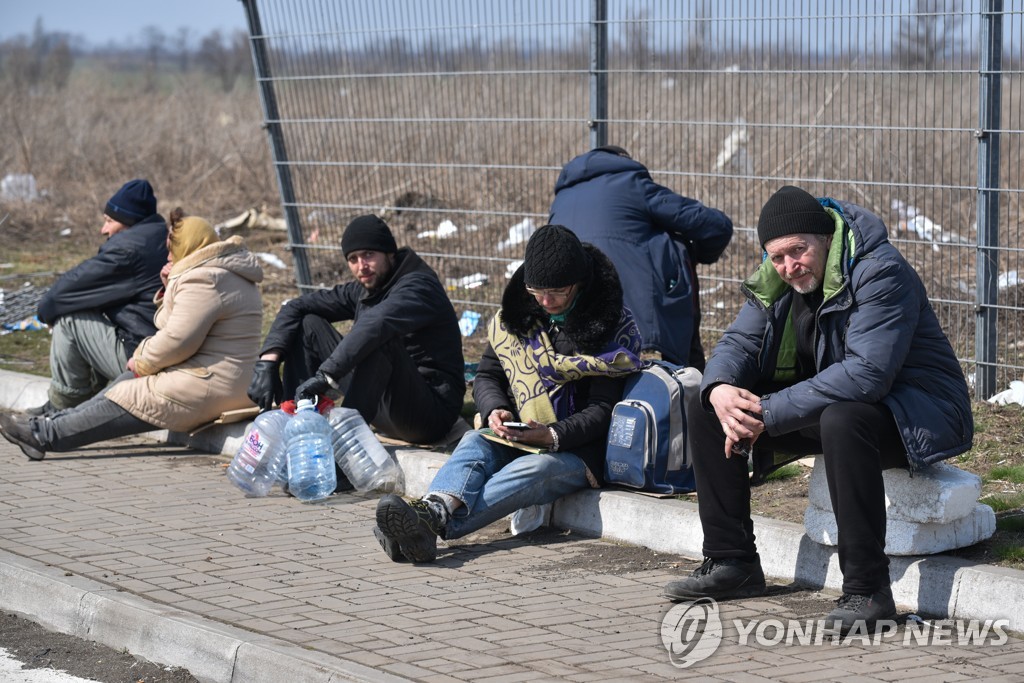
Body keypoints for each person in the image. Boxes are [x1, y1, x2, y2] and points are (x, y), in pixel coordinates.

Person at [662, 186, 974, 632]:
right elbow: (740, 342)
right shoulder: (776, 279)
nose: (789, 266)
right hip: (836, 406)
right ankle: (732, 561)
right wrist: (719, 390)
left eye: (798, 251)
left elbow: (867, 375)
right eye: (777, 257)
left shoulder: (879, 271)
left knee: (843, 418)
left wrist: (766, 412)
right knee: (708, 405)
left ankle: (868, 591)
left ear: (825, 237)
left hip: (917, 413)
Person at [374, 225, 644, 563]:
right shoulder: (518, 320)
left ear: (580, 283)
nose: (545, 302)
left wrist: (551, 435)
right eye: (536, 291)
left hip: (579, 450)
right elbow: (488, 373)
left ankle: (427, 525)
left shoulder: (608, 329)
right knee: (474, 443)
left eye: (557, 292)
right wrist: (496, 410)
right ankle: (434, 510)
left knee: (531, 471)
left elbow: (603, 410)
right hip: (520, 434)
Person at [0, 209, 264, 460]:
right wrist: (168, 287)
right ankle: (47, 425)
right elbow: (173, 325)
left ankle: (43, 435)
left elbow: (177, 341)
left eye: (172, 250)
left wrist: (142, 360)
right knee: (125, 386)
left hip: (206, 385)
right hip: (219, 381)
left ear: (190, 246)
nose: (168, 257)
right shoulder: (223, 273)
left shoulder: (206, 279)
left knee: (125, 397)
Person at [247, 214, 466, 446]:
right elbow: (296, 306)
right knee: (309, 323)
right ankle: (295, 430)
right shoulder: (366, 288)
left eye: (369, 255)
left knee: (381, 340)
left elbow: (377, 324)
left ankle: (342, 452)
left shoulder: (418, 286)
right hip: (383, 404)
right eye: (353, 258)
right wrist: (268, 363)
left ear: (389, 253)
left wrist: (326, 375)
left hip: (428, 415)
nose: (361, 266)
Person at [548, 146, 733, 370]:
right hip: (637, 315)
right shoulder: (630, 183)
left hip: (570, 318)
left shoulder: (561, 199)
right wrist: (697, 254)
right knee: (676, 244)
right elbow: (714, 226)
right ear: (622, 160)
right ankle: (691, 382)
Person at [31, 179, 169, 414]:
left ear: (129, 222)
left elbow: (59, 296)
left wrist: (46, 314)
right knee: (88, 309)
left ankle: (63, 406)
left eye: (109, 221)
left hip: (141, 357)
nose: (103, 230)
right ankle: (86, 397)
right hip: (161, 351)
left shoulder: (127, 250)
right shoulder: (160, 237)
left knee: (69, 319)